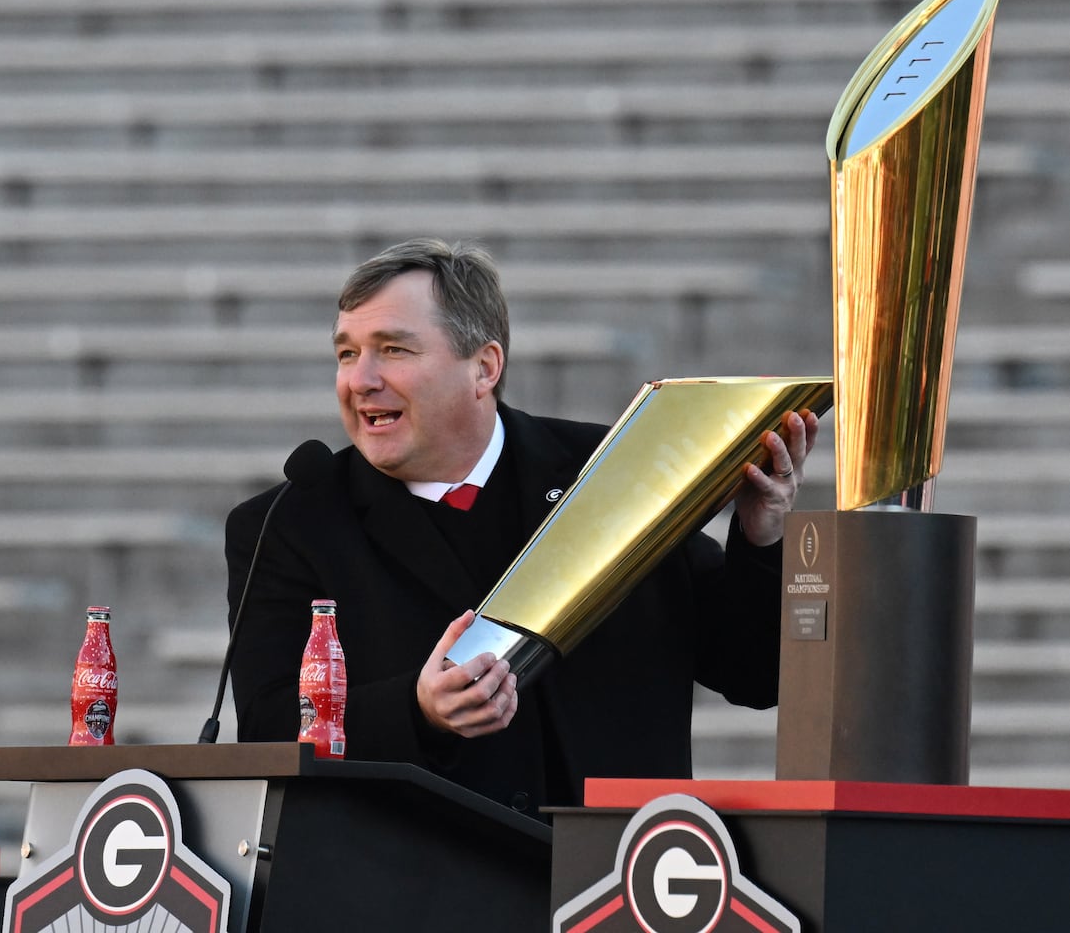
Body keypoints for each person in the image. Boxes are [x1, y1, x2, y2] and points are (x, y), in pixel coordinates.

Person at [225, 237, 818, 818]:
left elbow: (753, 675)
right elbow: (267, 727)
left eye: (394, 350)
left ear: (484, 367)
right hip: (417, 889)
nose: (360, 380)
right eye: (347, 353)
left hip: (616, 881)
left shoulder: (614, 473)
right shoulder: (290, 522)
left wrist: (760, 536)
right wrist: (418, 711)